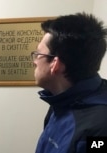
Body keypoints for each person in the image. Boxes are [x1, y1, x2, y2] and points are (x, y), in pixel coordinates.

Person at [32, 12, 107, 153]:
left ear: (55, 64)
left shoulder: (100, 127)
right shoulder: (61, 99)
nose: (35, 61)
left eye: (38, 54)